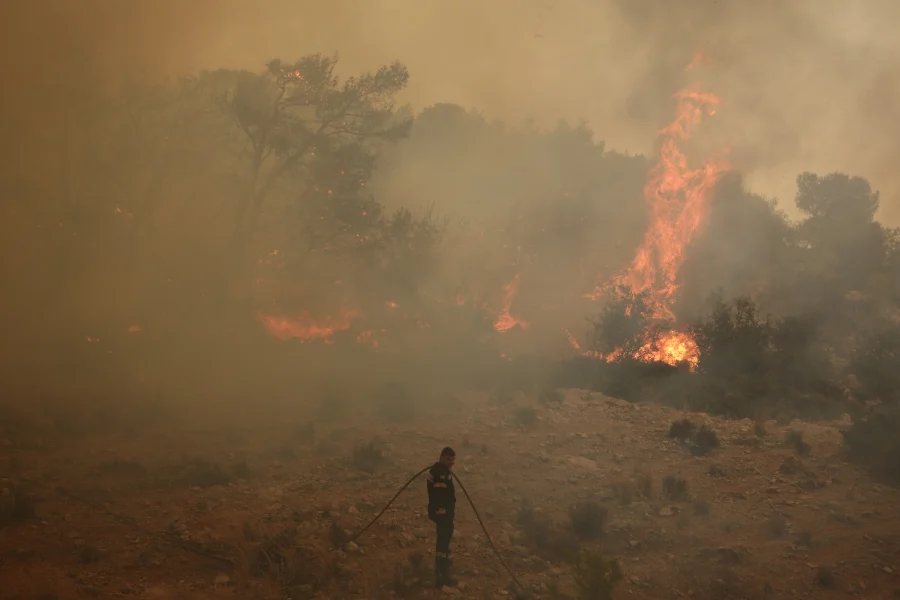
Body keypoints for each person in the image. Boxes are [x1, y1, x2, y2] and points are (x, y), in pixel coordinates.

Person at [427, 447, 458, 588]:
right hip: (442, 513)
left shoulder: (442, 471)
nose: (450, 462)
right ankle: (441, 576)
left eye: (452, 460)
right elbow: (439, 495)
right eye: (448, 459)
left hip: (445, 513)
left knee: (444, 541)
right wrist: (442, 513)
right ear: (441, 458)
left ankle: (443, 568)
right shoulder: (440, 473)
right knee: (442, 543)